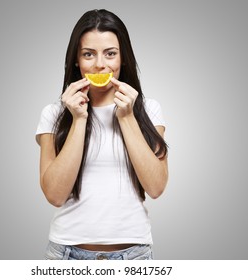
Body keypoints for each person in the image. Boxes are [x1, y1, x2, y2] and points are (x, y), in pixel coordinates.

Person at [35, 9, 168, 260]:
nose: (99, 64)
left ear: (123, 58)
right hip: (66, 255)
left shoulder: (149, 110)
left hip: (134, 256)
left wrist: (127, 117)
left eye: (110, 53)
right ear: (76, 60)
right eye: (88, 54)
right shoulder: (54, 114)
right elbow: (54, 194)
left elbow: (156, 186)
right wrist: (79, 119)